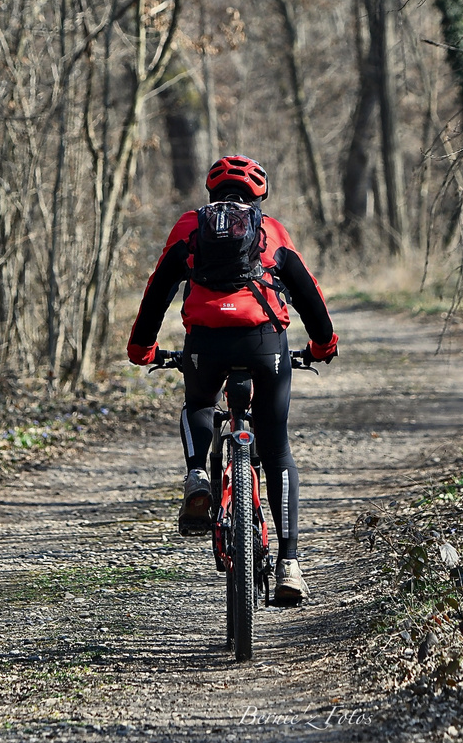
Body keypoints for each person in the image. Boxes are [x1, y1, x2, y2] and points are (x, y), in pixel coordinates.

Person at [127, 155, 338, 602]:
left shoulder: (190, 226)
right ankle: (289, 565)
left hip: (206, 343)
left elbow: (158, 288)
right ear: (258, 195)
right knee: (277, 447)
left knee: (200, 404)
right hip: (264, 344)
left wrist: (142, 347)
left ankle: (198, 476)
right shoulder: (271, 230)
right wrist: (323, 345)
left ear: (211, 193)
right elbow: (307, 293)